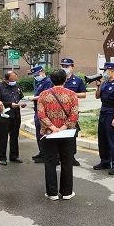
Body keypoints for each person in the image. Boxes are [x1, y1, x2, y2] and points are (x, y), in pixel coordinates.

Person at [37, 68, 79, 200]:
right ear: (65, 80)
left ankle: (52, 193)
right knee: (67, 162)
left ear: (51, 80)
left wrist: (53, 128)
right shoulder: (72, 94)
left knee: (50, 162)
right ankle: (66, 192)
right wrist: (62, 128)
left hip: (49, 134)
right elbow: (74, 115)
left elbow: (41, 114)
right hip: (66, 133)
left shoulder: (43, 95)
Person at [93, 62, 114, 175]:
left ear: (111, 71)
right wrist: (98, 86)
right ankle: (105, 161)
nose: (103, 73)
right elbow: (97, 96)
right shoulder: (104, 83)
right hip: (103, 113)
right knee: (102, 139)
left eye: (105, 70)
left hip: (112, 113)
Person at [0, 71, 27, 165]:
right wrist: (9, 104)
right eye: (12, 81)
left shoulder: (17, 86)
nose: (14, 82)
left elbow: (21, 97)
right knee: (3, 137)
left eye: (15, 80)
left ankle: (14, 156)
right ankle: (2, 157)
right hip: (5, 115)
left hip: (16, 115)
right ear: (5, 79)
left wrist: (23, 103)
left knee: (15, 136)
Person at [60, 58, 86, 166]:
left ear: (72, 67)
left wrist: (71, 94)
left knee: (72, 135)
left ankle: (71, 156)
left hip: (72, 112)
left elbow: (83, 94)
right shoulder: (58, 78)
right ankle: (59, 156)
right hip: (59, 112)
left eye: (67, 66)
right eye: (63, 66)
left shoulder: (77, 80)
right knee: (59, 133)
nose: (64, 68)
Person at [28, 66, 53, 164]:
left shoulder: (48, 82)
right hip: (38, 110)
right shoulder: (40, 82)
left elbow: (46, 96)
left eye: (37, 75)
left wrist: (34, 98)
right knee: (39, 134)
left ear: (42, 72)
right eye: (34, 75)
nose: (36, 77)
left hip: (44, 111)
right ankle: (41, 152)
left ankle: (45, 155)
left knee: (43, 133)